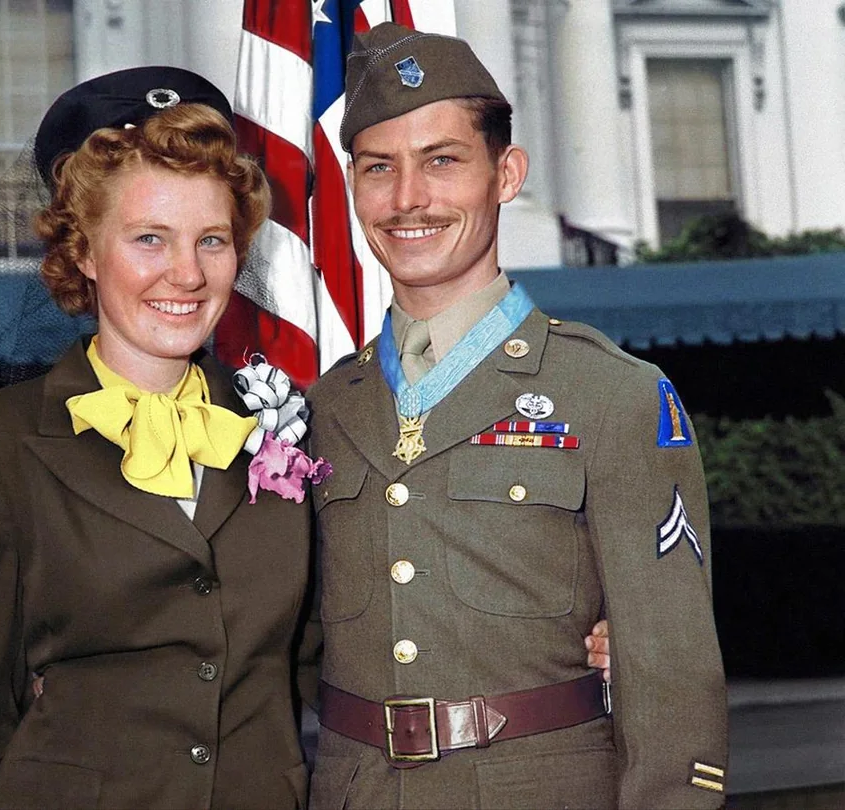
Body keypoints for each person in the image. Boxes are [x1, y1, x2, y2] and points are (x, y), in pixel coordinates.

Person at [304, 23, 727, 809]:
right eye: (377, 169)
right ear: (351, 188)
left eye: (442, 160)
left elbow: (671, 680)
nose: (407, 200)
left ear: (506, 174)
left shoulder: (613, 395)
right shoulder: (324, 407)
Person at [0, 68, 314, 810]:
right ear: (84, 253)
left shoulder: (280, 427)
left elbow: (345, 648)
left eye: (212, 240)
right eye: (149, 239)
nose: (186, 274)